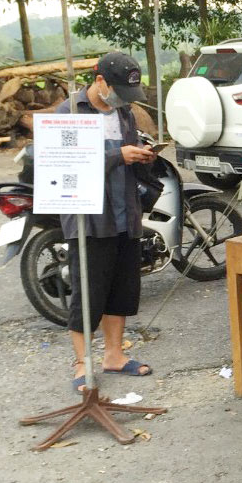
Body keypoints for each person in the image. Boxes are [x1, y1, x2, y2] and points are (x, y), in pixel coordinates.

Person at [58, 52, 155, 393]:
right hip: (89, 216)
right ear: (100, 81)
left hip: (124, 210)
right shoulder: (70, 112)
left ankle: (114, 355)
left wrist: (141, 152)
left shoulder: (123, 112)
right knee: (89, 292)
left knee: (121, 288)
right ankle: (81, 363)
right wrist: (118, 155)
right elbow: (65, 163)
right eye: (118, 91)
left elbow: (127, 152)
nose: (123, 100)